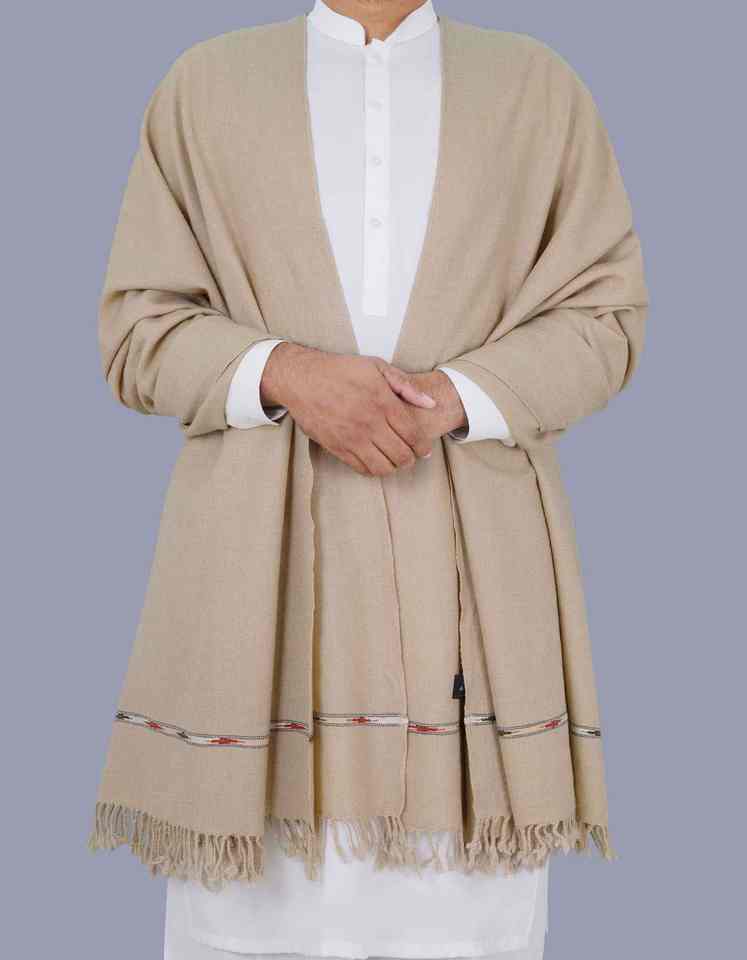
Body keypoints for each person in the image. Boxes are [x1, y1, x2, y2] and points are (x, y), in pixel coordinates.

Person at [89, 2, 648, 959]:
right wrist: (287, 373)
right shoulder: (206, 85)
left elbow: (606, 319)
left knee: (465, 931)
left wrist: (451, 398)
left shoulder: (536, 88)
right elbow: (137, 329)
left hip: (472, 595)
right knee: (249, 928)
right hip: (256, 592)